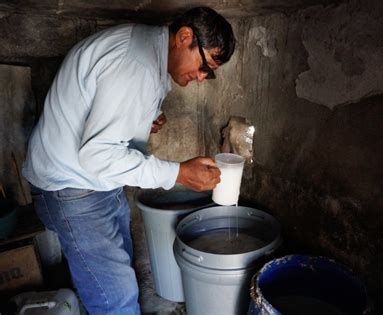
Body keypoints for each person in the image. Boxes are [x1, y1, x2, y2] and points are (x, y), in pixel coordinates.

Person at [22, 7, 235, 314]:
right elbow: (98, 155)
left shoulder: (144, 50)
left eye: (209, 72)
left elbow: (104, 109)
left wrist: (140, 119)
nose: (202, 77)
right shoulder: (136, 64)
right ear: (184, 36)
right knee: (116, 299)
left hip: (91, 183)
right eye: (204, 65)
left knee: (107, 279)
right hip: (73, 187)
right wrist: (178, 173)